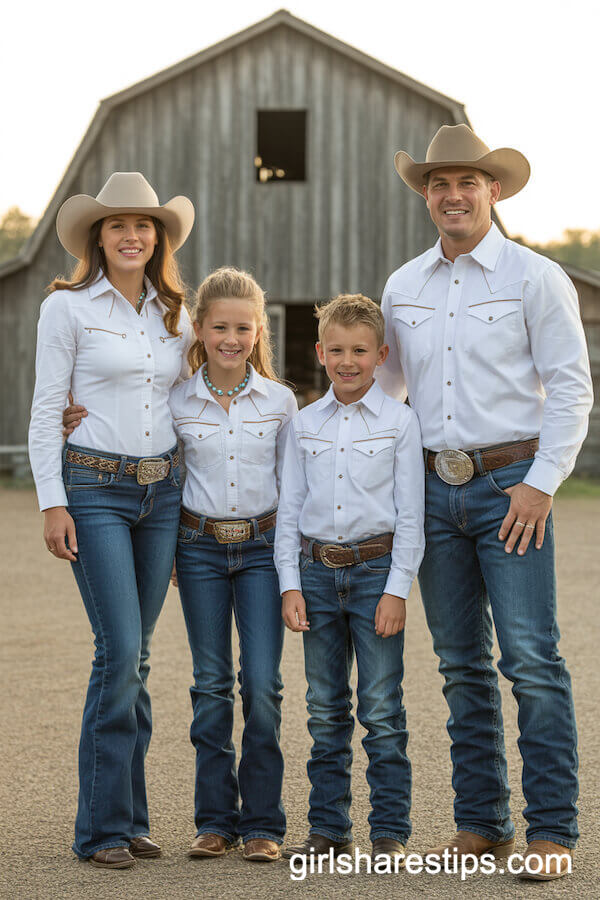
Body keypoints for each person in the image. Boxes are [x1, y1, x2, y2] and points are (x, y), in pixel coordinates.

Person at [377, 124, 593, 880]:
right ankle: (482, 823)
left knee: (531, 659)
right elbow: (384, 393)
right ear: (427, 195)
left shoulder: (535, 278)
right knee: (458, 662)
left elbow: (570, 387)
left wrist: (541, 483)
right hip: (434, 490)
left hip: (512, 487)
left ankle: (553, 833)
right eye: (439, 183)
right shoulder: (403, 286)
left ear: (492, 191)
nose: (453, 194)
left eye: (467, 182)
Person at [28, 172, 195, 868]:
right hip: (94, 488)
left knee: (139, 656)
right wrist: (51, 500)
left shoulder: (176, 313)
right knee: (118, 650)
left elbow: (192, 404)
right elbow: (46, 408)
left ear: (158, 237)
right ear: (98, 236)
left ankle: (129, 820)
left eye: (144, 225)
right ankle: (99, 829)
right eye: (118, 224)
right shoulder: (67, 309)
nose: (132, 235)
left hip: (164, 494)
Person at [274, 294, 425, 865]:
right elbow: (290, 509)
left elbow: (411, 515)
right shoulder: (304, 425)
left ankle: (389, 830)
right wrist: (290, 582)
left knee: (382, 708)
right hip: (316, 575)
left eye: (360, 350)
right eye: (336, 349)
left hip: (375, 575)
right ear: (319, 352)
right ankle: (329, 829)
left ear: (380, 354)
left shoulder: (400, 422)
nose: (347, 360)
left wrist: (397, 590)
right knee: (324, 708)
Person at [169, 267, 298, 862]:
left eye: (242, 327)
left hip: (262, 553)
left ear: (258, 331)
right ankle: (215, 821)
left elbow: (292, 488)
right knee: (212, 683)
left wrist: (292, 564)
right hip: (197, 551)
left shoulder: (280, 402)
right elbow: (161, 468)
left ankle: (264, 824)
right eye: (219, 326)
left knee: (263, 684)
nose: (231, 337)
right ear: (199, 329)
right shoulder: (175, 399)